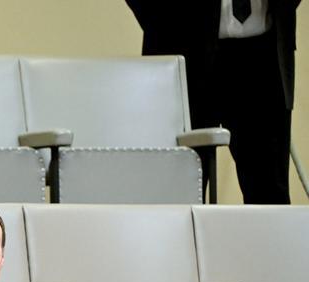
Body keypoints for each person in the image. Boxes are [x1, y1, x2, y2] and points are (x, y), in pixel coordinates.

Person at [125, 0, 300, 204]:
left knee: (269, 197)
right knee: (178, 196)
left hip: (265, 57)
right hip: (185, 49)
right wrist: (164, 27)